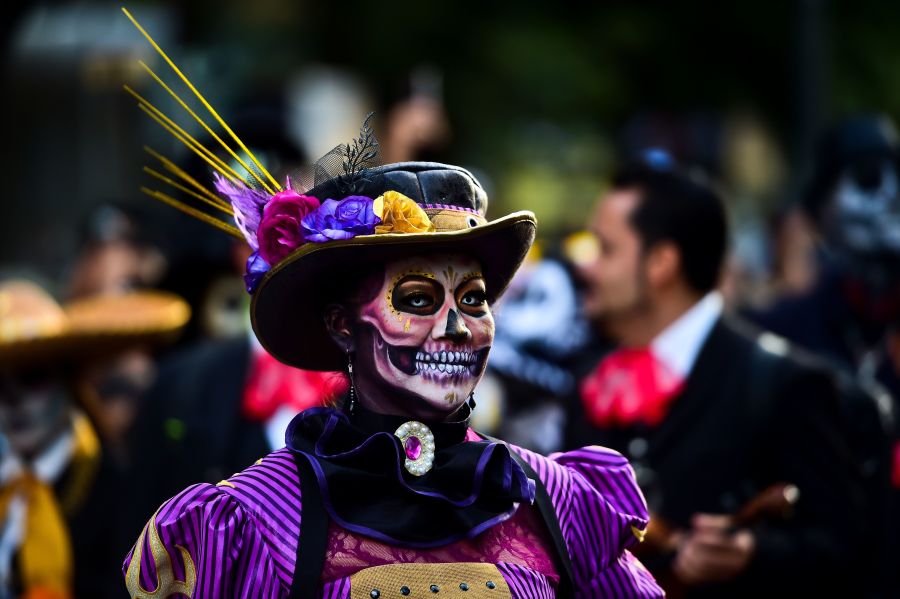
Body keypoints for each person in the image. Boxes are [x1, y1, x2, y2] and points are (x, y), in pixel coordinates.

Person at [122, 153, 663, 596]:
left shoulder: (553, 502)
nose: (456, 327)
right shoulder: (255, 522)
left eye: (473, 299)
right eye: (418, 299)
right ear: (341, 325)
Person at [567, 156, 864, 598]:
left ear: (661, 263)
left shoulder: (785, 383)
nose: (585, 267)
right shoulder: (591, 377)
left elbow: (844, 551)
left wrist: (753, 552)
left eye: (606, 249)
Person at [0, 278, 189, 598]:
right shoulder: (7, 490)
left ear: (68, 382)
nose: (13, 403)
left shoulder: (116, 488)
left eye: (32, 378)